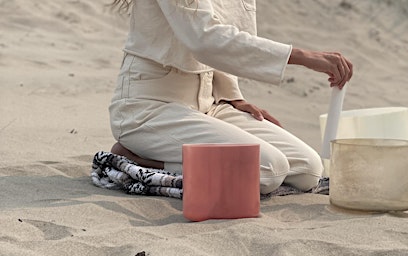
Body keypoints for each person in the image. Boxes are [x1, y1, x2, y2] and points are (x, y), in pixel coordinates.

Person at [108, 0, 353, 194]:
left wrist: (231, 95)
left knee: (307, 168)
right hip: (149, 109)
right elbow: (204, 39)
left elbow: (228, 37)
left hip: (208, 103)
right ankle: (141, 160)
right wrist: (302, 57)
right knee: (267, 170)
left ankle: (176, 153)